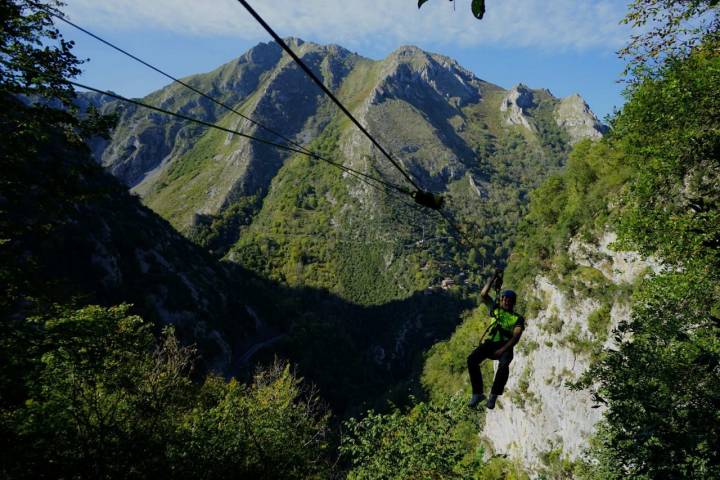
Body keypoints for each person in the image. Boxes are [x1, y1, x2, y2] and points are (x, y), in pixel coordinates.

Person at [467, 269, 525, 409]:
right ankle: (478, 393)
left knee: (504, 365)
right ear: (501, 299)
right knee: (472, 360)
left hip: (505, 345)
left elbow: (516, 336)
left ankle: (493, 395)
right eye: (504, 298)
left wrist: (502, 350)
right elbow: (483, 294)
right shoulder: (495, 309)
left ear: (513, 302)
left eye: (509, 300)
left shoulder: (518, 318)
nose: (505, 301)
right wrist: (492, 278)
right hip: (491, 343)